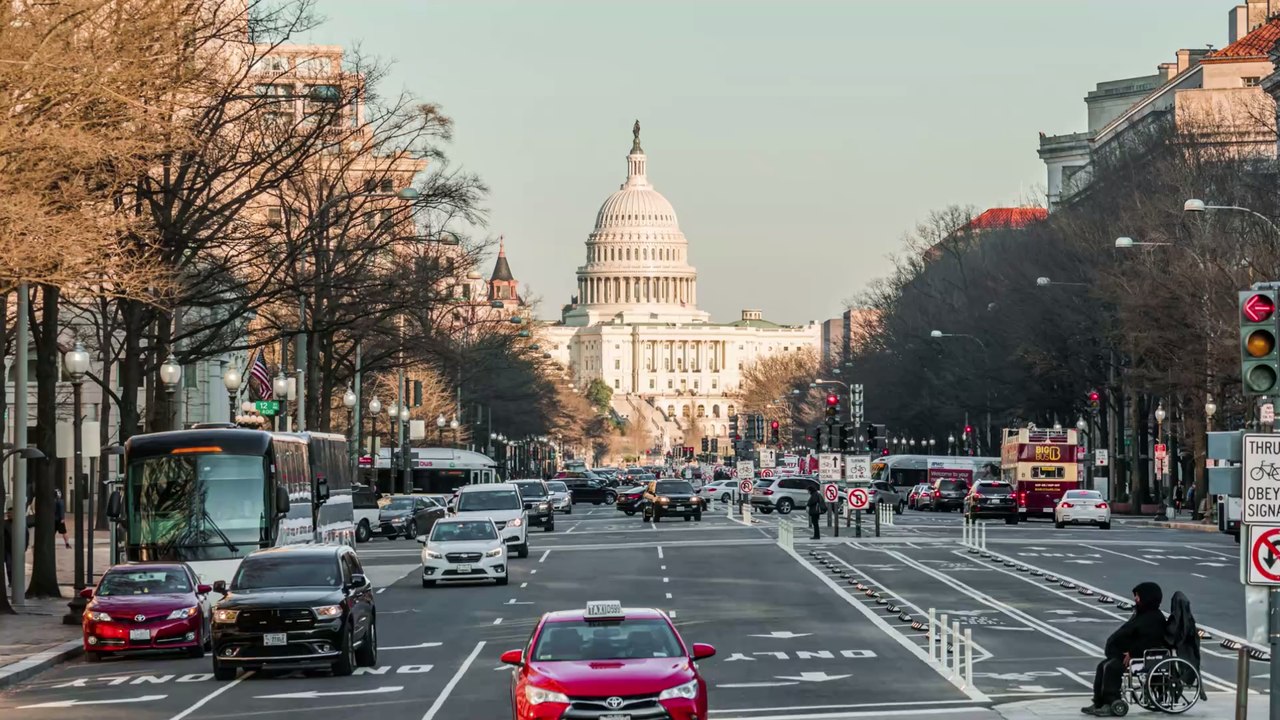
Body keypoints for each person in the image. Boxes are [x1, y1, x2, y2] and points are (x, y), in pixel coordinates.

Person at [1083, 582, 1167, 716]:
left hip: (1142, 657)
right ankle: (1099, 702)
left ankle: (1111, 702)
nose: (1136, 599)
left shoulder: (1154, 618)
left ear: (1147, 597)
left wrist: (1133, 653)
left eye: (1138, 596)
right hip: (1131, 655)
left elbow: (1150, 641)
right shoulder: (1142, 614)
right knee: (1102, 666)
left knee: (1112, 667)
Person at [1165, 590, 1208, 701]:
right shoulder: (1190, 621)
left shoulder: (1174, 619)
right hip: (1189, 652)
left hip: (1177, 650)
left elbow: (1170, 636)